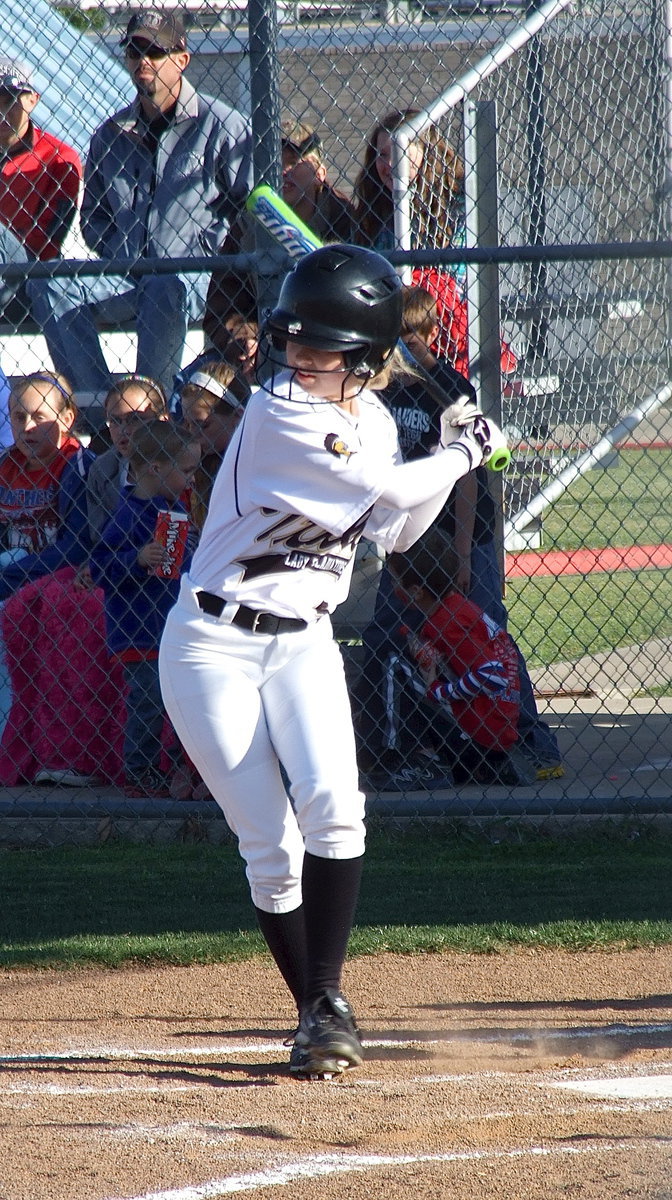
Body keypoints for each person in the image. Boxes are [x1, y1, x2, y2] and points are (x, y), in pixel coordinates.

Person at [158, 243, 508, 1081]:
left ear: (370, 359)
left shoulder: (377, 422)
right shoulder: (282, 411)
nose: (299, 358)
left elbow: (393, 532)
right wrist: (465, 452)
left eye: (323, 350)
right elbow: (388, 494)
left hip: (304, 640)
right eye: (297, 343)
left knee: (336, 808)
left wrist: (442, 453)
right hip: (212, 647)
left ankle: (325, 1005)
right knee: (269, 841)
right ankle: (315, 1008)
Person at [354, 287, 563, 785]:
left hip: (464, 531)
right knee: (387, 630)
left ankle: (531, 740)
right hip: (413, 534)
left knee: (487, 631)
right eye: (394, 338)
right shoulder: (384, 389)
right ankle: (386, 747)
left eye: (411, 337)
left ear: (431, 334)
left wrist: (465, 553)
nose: (403, 348)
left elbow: (468, 477)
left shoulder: (449, 385)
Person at [28, 9, 253, 395]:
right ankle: (103, 412)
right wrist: (122, 251)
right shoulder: (110, 134)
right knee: (47, 284)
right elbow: (94, 219)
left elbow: (250, 210)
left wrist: (212, 252)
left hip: (197, 278)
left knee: (164, 285)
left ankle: (152, 411)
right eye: (134, 51)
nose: (142, 61)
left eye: (154, 51)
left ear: (182, 59)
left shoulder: (223, 126)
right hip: (127, 274)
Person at [0, 373, 123, 787]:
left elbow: (77, 546)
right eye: (18, 417)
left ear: (67, 418)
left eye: (39, 416)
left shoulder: (75, 464)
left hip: (49, 578)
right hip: (13, 576)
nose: (27, 427)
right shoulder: (6, 466)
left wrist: (8, 575)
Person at [352, 109, 517, 377]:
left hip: (442, 324)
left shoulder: (459, 204)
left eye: (400, 152)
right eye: (382, 155)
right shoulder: (374, 210)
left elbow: (457, 282)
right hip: (390, 321)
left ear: (427, 153)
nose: (389, 163)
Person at [90, 420, 201, 798]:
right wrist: (135, 558)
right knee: (149, 701)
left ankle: (181, 767)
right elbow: (100, 567)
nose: (191, 478)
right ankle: (140, 771)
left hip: (173, 626)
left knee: (182, 698)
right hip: (139, 632)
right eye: (185, 470)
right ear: (156, 468)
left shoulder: (173, 508)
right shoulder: (130, 512)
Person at [202, 118, 354, 362]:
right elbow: (221, 307)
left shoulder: (345, 219)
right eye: (275, 162)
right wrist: (243, 336)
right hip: (266, 342)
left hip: (331, 342)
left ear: (320, 173)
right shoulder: (246, 225)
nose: (284, 171)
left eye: (294, 161)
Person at [387, 530, 523, 786]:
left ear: (416, 591)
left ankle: (410, 756)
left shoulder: (448, 622)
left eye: (395, 581)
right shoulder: (455, 606)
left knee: (396, 664)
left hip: (479, 737)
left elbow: (494, 675)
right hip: (492, 730)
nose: (392, 588)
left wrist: (440, 691)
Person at [0, 57, 82, 313]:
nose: (1, 111)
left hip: (29, 279)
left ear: (32, 100)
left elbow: (45, 244)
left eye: (10, 100)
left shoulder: (59, 158)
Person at [86, 375, 169, 546]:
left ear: (162, 420)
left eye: (135, 419)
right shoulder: (103, 469)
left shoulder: (181, 464)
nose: (124, 430)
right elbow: (99, 536)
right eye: (115, 421)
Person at [178, 360, 249, 533]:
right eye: (187, 424)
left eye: (202, 425)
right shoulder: (187, 464)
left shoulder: (251, 463)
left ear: (237, 417)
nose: (192, 434)